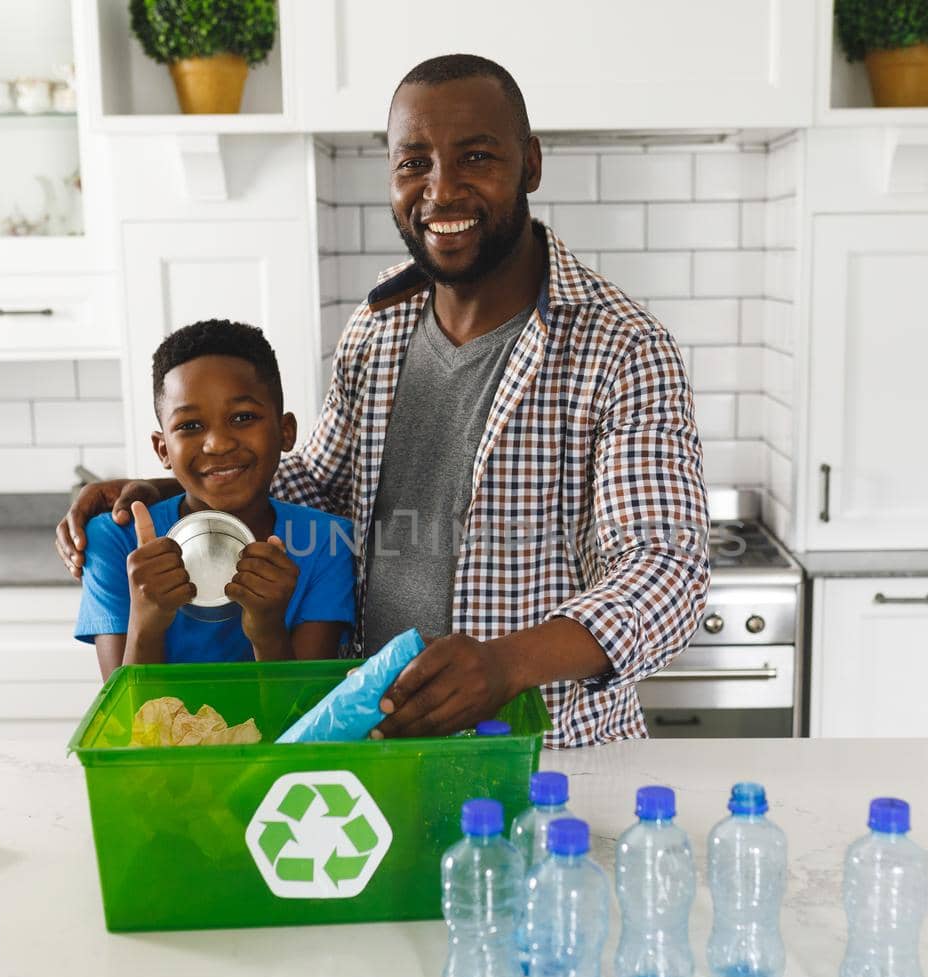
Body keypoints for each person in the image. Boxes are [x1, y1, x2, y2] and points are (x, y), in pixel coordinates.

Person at [58, 54, 708, 744]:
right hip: (376, 753)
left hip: (549, 758)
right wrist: (168, 486)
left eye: (476, 157)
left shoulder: (623, 348)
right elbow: (319, 487)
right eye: (413, 163)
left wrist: (503, 664)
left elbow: (667, 573)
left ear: (531, 165)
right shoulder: (379, 325)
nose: (441, 190)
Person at [74, 319, 355, 682]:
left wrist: (268, 632)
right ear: (163, 449)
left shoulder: (328, 542)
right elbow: (129, 722)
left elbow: (302, 721)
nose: (218, 443)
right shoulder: (114, 541)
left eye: (243, 417)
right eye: (190, 426)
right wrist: (147, 621)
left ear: (285, 432)